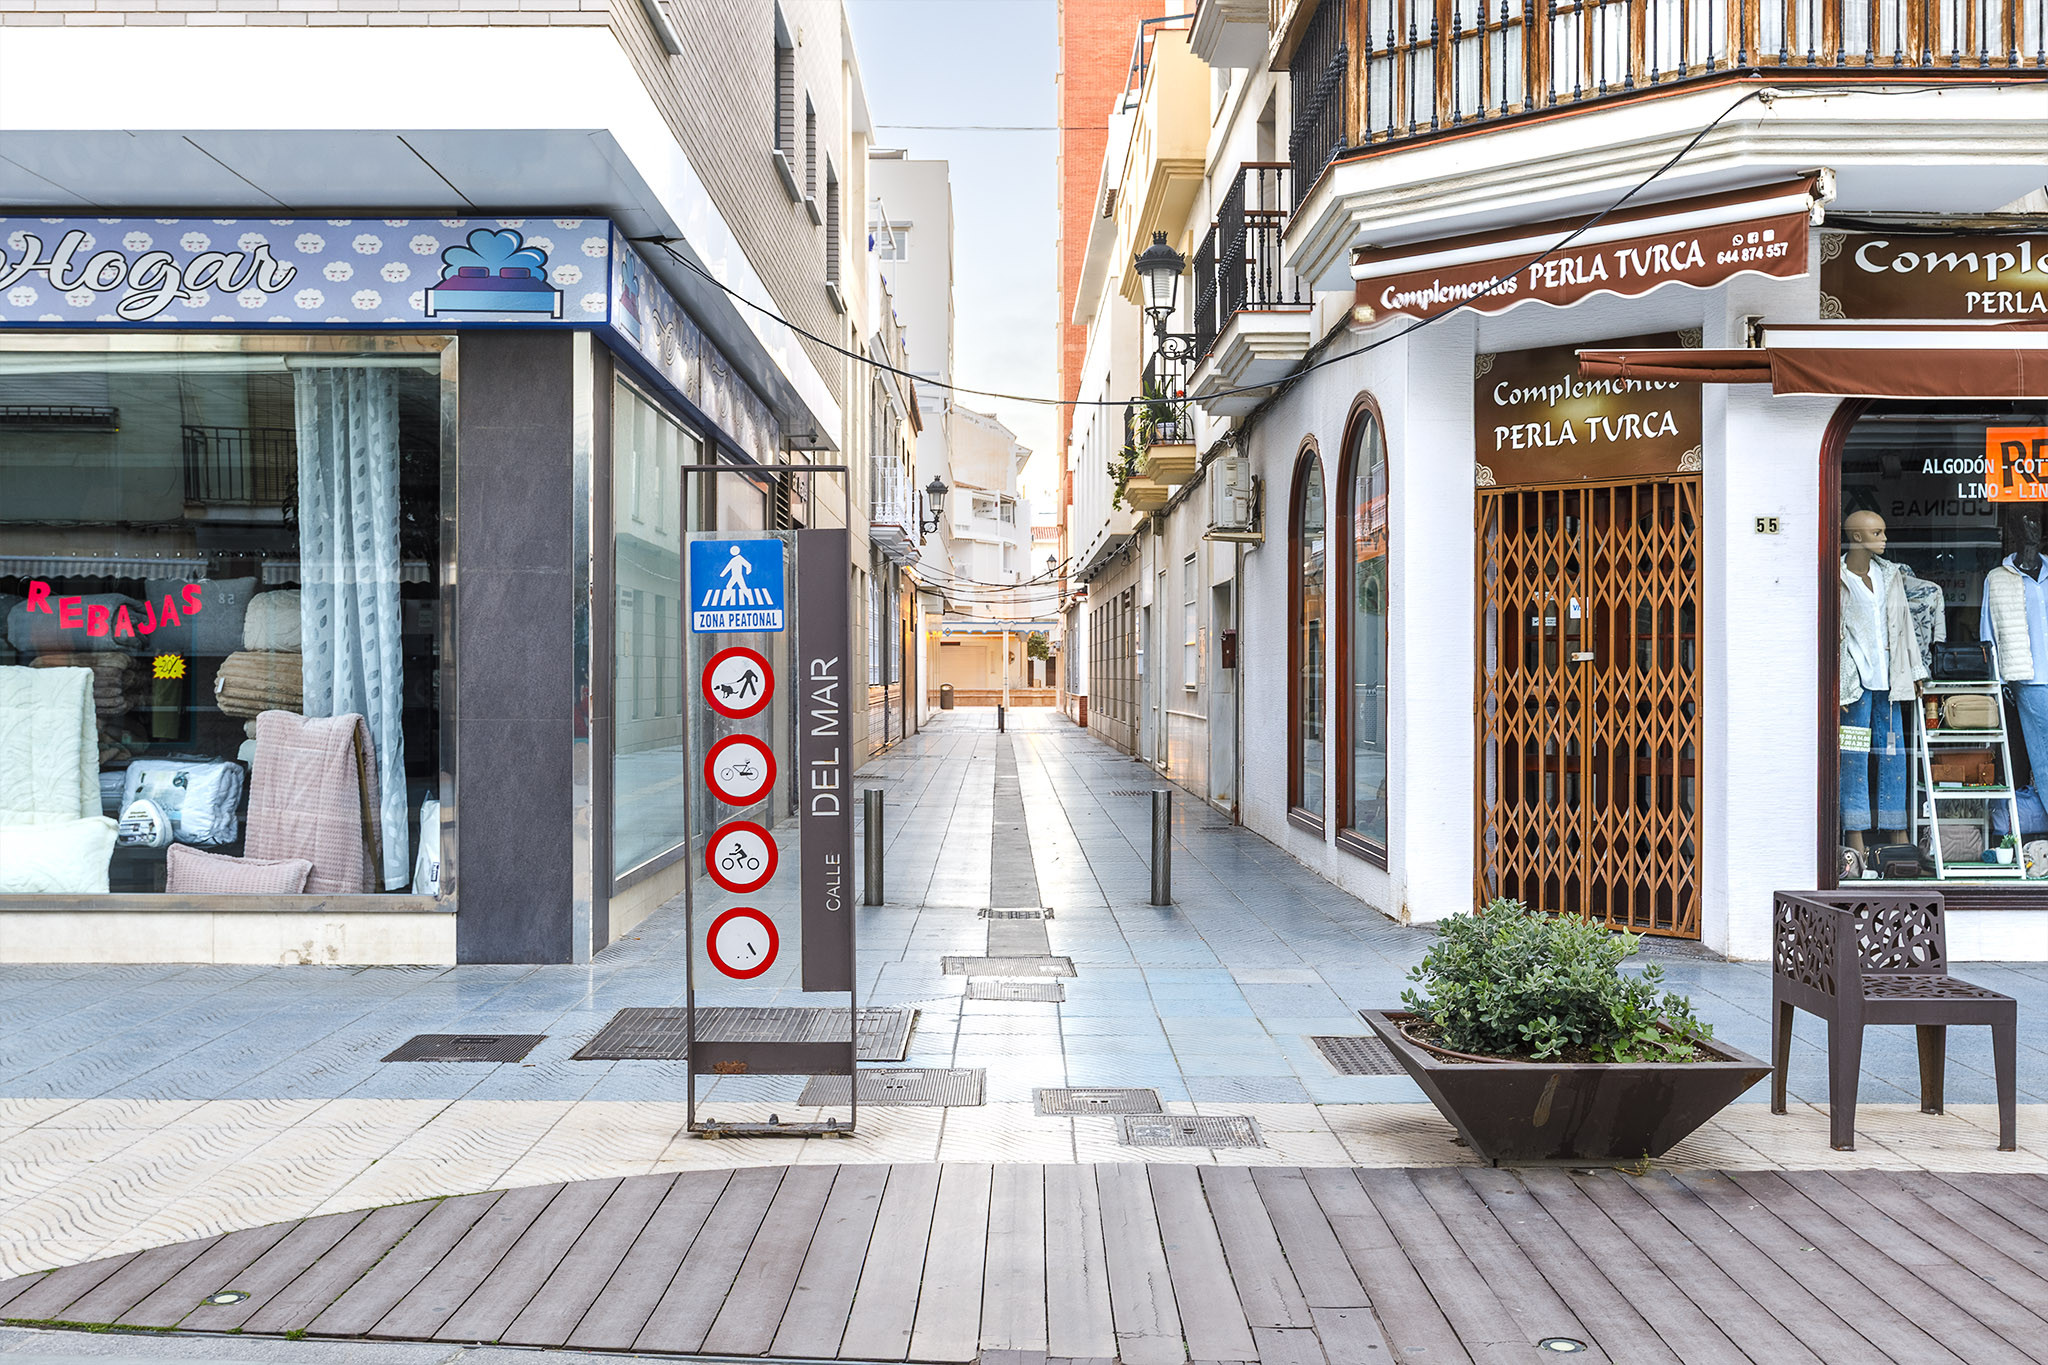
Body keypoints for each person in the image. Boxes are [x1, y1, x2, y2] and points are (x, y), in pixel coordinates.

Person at [1840, 509, 1928, 855]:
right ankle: (1855, 834)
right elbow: (1832, 633)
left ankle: (1896, 831)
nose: (1885, 539)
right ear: (1856, 537)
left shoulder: (1889, 575)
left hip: (1890, 682)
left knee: (1893, 753)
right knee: (1854, 756)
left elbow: (1904, 625)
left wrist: (1915, 671)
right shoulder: (1838, 576)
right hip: (1855, 685)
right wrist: (1837, 685)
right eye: (1877, 533)